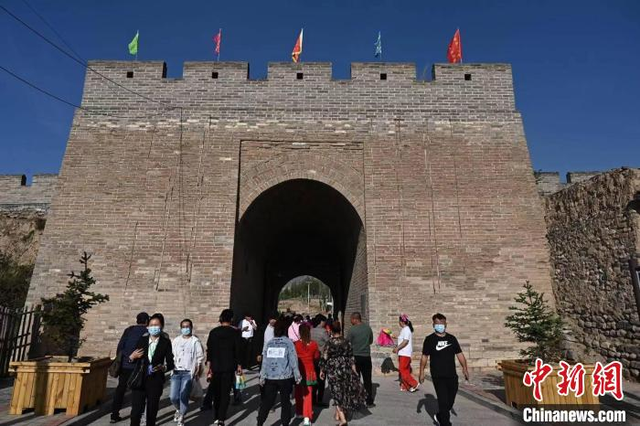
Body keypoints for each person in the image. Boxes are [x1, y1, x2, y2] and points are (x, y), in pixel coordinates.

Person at [419, 313, 469, 426]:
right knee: (443, 401)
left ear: (446, 324)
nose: (440, 326)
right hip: (438, 375)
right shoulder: (429, 339)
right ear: (433, 325)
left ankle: (440, 416)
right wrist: (421, 372)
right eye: (437, 324)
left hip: (452, 375)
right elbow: (424, 357)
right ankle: (445, 423)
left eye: (442, 323)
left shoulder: (452, 338)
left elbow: (459, 354)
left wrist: (465, 368)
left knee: (450, 400)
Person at [128, 313, 175, 426]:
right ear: (148, 327)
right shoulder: (142, 340)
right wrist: (131, 357)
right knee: (136, 411)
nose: (154, 327)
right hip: (140, 379)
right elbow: (134, 358)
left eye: (156, 325)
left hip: (155, 380)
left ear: (161, 326)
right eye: (151, 325)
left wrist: (164, 367)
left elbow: (170, 362)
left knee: (152, 410)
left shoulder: (165, 342)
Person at [319, 321, 366, 426]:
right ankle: (338, 414)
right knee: (343, 391)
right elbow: (351, 357)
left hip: (333, 370)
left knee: (336, 393)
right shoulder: (346, 342)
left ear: (331, 330)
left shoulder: (329, 343)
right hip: (345, 369)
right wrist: (354, 370)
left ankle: (343, 419)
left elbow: (325, 357)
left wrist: (322, 370)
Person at [257, 319, 302, 426]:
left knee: (267, 402)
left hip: (270, 377)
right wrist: (297, 375)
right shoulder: (288, 343)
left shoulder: (269, 343)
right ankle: (285, 423)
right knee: (285, 402)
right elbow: (293, 360)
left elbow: (265, 361)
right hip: (285, 377)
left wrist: (262, 376)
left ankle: (260, 422)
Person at [204, 309, 242, 426]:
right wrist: (239, 365)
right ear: (231, 319)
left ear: (221, 318)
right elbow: (238, 350)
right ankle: (221, 419)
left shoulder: (213, 332)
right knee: (225, 393)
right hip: (229, 367)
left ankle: (216, 415)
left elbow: (209, 350)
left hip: (215, 367)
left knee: (217, 392)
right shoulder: (235, 332)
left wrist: (208, 367)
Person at [110, 312, 149, 424]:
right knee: (138, 392)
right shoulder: (146, 332)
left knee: (120, 389)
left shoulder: (129, 330)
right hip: (138, 367)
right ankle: (137, 415)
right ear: (147, 321)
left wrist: (122, 360)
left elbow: (120, 346)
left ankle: (114, 414)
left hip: (125, 365)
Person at [170, 319, 204, 426]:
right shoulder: (176, 340)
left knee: (183, 395)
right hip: (176, 372)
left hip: (188, 373)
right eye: (183, 327)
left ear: (191, 327)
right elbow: (171, 355)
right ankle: (178, 409)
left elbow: (200, 356)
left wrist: (198, 368)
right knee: (173, 396)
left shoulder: (195, 341)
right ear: (181, 328)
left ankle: (181, 417)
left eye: (187, 326)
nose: (185, 329)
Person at [346, 312, 375, 407]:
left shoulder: (352, 330)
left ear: (355, 319)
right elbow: (370, 341)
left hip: (355, 357)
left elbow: (347, 343)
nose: (351, 321)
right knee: (367, 379)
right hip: (366, 356)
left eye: (351, 319)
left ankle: (356, 400)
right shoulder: (368, 328)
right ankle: (369, 401)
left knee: (355, 379)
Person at [294, 324, 320, 426]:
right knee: (308, 395)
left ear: (299, 332)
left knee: (298, 392)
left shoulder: (296, 344)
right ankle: (307, 417)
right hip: (310, 371)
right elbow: (316, 357)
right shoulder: (314, 344)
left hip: (298, 371)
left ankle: (299, 412)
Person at [393, 314, 419, 392]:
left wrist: (397, 348)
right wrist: (395, 337)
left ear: (402, 322)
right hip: (403, 353)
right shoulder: (404, 330)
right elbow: (402, 339)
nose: (399, 323)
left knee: (402, 370)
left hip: (405, 353)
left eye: (399, 321)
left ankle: (414, 383)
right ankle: (406, 386)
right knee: (406, 370)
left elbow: (405, 341)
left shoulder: (406, 329)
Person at [310, 315, 329, 406]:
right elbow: (329, 342)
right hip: (321, 357)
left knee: (313, 378)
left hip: (312, 358)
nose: (325, 323)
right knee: (321, 379)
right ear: (321, 321)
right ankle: (320, 399)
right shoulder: (323, 331)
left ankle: (313, 398)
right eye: (324, 321)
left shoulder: (311, 330)